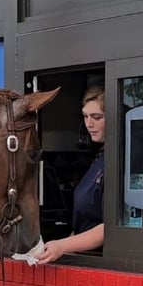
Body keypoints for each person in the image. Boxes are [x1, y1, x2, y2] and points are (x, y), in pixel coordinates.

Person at [36, 85, 106, 264]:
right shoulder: (99, 159)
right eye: (85, 116)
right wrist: (62, 246)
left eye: (97, 117)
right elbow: (86, 222)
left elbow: (110, 229)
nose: (89, 124)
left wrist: (63, 246)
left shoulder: (117, 161)